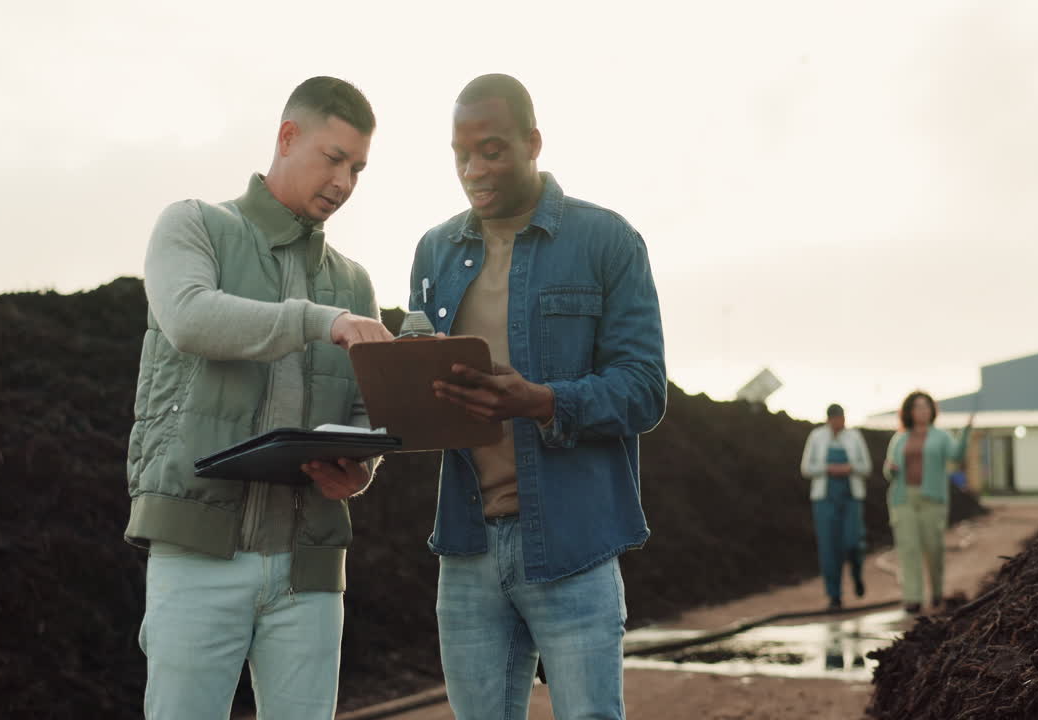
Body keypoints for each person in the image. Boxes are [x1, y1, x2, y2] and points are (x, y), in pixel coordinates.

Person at [125, 76, 393, 719]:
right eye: (334, 158)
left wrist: (362, 470)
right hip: (197, 556)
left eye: (357, 169)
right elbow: (190, 318)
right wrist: (319, 321)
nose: (344, 183)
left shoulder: (355, 283)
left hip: (310, 569)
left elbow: (370, 408)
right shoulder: (194, 225)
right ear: (287, 136)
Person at [408, 73, 666, 720]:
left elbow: (644, 390)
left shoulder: (606, 241)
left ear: (533, 143)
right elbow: (422, 392)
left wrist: (542, 402)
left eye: (491, 150)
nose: (473, 170)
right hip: (467, 546)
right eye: (461, 154)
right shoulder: (435, 251)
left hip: (574, 543)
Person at [882, 391, 971, 614]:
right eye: (917, 407)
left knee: (934, 548)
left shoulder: (941, 437)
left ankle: (937, 592)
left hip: (932, 500)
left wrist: (966, 433)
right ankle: (913, 598)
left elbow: (956, 456)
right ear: (909, 412)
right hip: (903, 499)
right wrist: (891, 469)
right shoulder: (899, 438)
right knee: (908, 548)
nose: (922, 411)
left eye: (926, 406)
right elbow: (888, 469)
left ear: (932, 411)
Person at [800, 403, 872, 611]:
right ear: (828, 419)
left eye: (841, 418)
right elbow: (806, 468)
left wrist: (850, 468)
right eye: (835, 419)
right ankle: (834, 596)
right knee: (829, 547)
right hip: (825, 500)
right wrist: (827, 468)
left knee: (852, 542)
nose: (839, 422)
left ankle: (857, 575)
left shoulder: (854, 437)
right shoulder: (816, 437)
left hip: (850, 499)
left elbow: (866, 467)